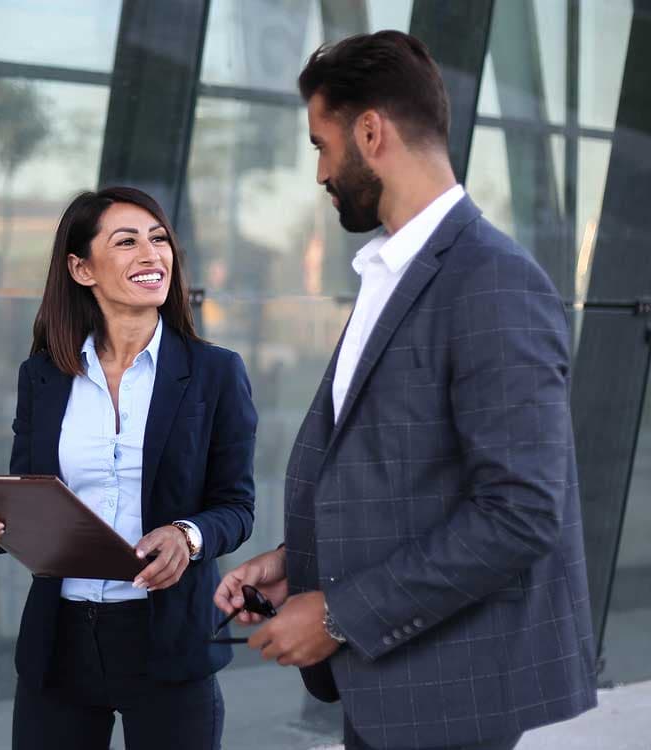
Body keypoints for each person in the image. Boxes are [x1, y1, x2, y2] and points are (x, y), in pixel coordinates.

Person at [215, 31, 597, 750]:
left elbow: (520, 512)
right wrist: (300, 561)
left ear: (370, 131)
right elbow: (403, 473)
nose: (322, 172)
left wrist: (336, 614)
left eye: (321, 146)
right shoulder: (393, 272)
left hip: (450, 696)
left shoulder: (494, 283)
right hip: (393, 686)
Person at [0, 186, 257, 750]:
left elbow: (237, 507)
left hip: (168, 643)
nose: (151, 254)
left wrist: (187, 537)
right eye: (127, 241)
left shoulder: (215, 373)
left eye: (159, 239)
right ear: (81, 268)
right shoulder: (42, 377)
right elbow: (28, 498)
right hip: (59, 642)